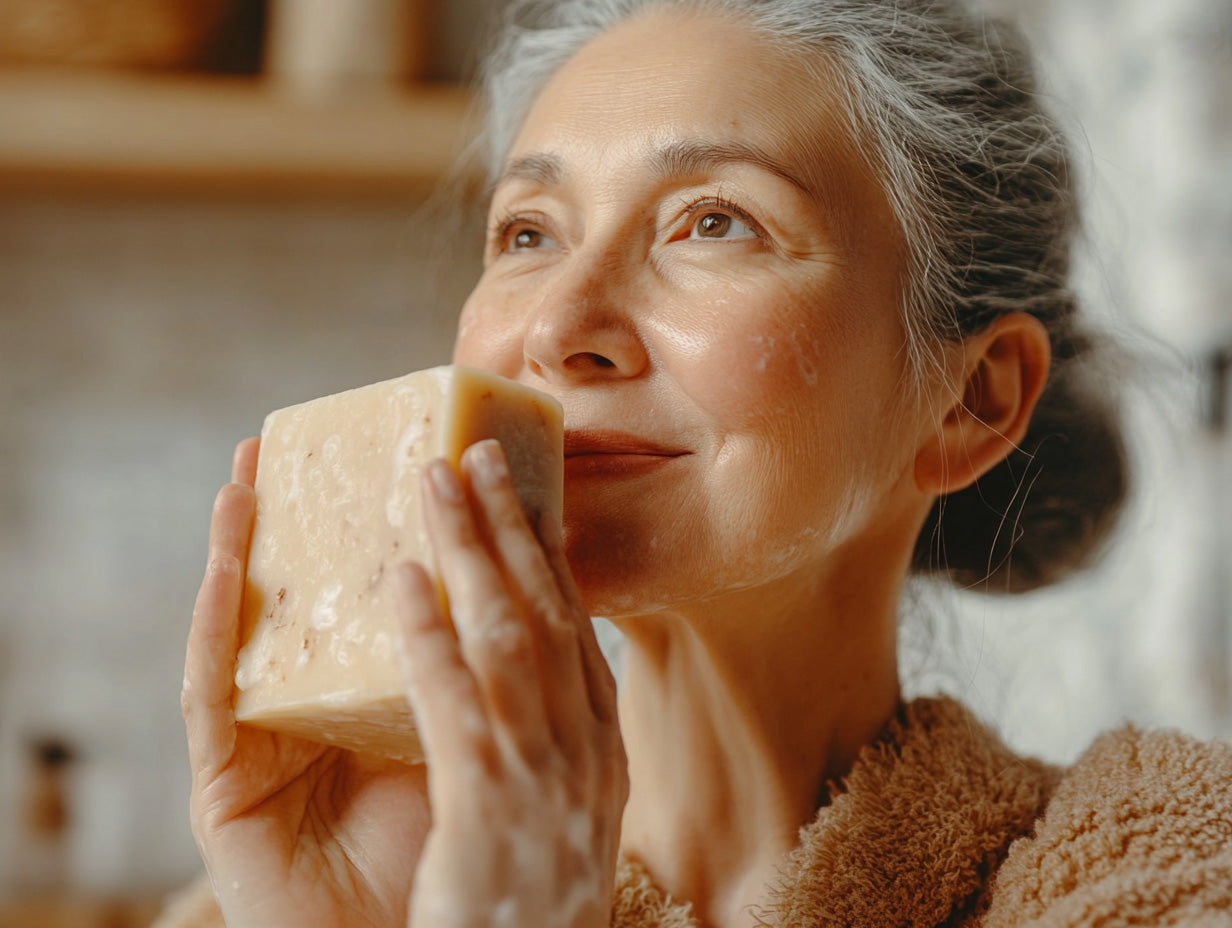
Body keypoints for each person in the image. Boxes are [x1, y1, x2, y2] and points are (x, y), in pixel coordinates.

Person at [160, 1, 1232, 926]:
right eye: (527, 234)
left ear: (967, 398)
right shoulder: (264, 904)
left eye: (712, 223)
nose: (559, 327)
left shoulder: (1164, 873)